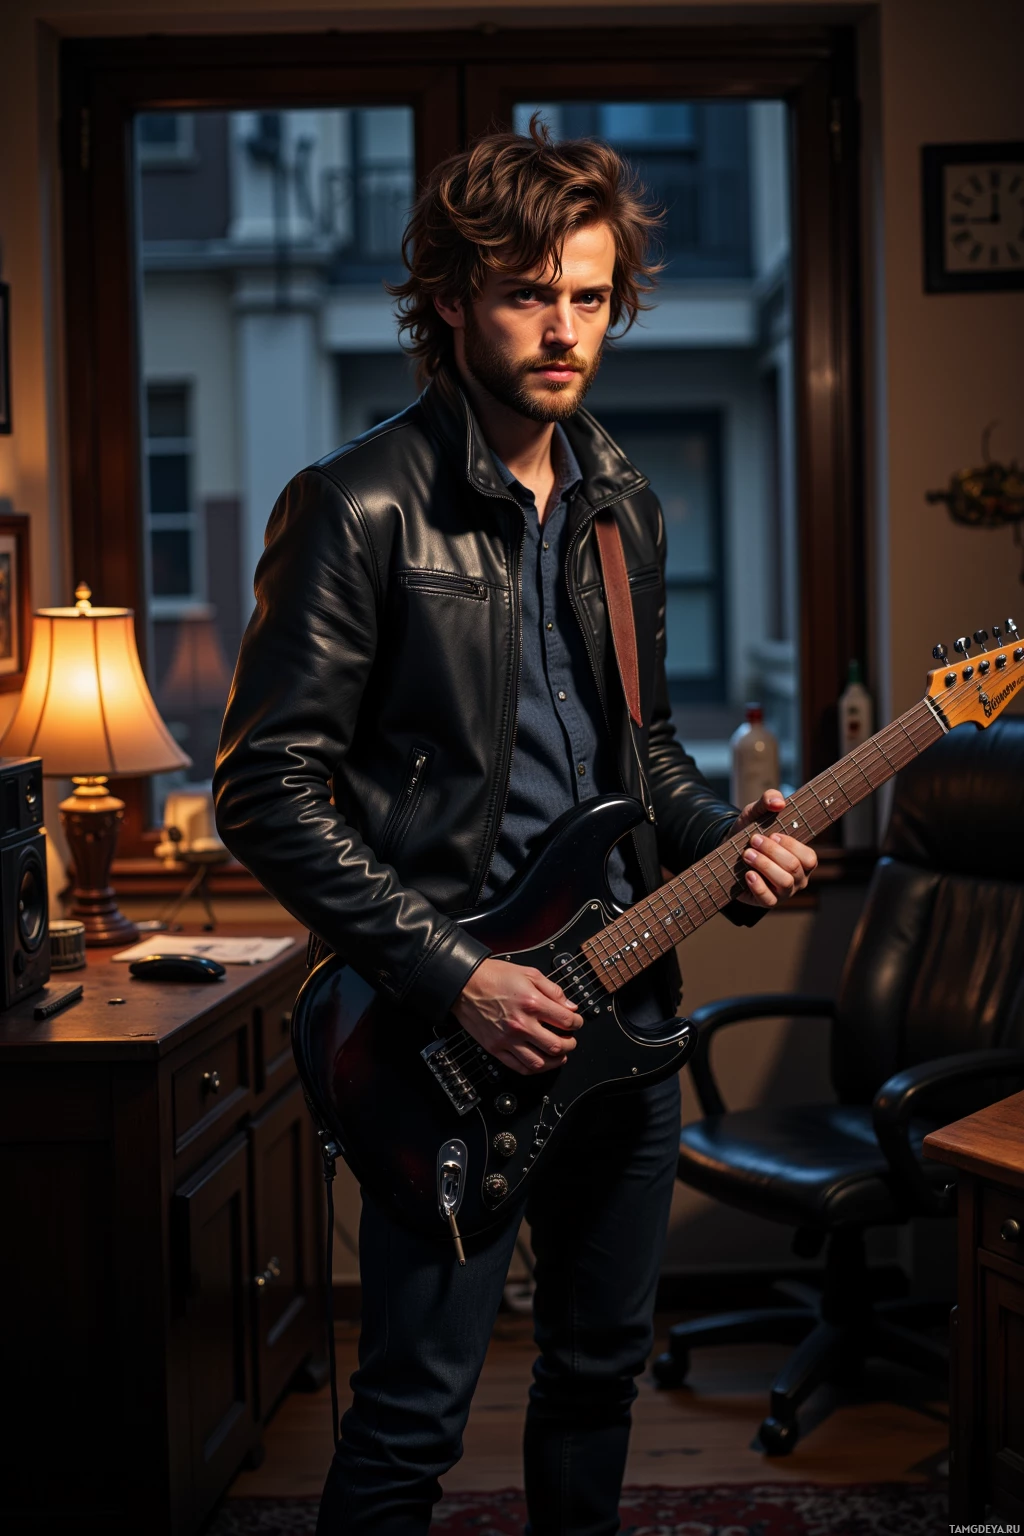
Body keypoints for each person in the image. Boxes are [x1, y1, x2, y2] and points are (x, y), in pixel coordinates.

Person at [213, 118, 817, 1536]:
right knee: (412, 1417)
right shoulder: (355, 506)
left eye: (590, 297)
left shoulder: (622, 504)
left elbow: (643, 756)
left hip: (627, 1014)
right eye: (528, 294)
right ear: (448, 299)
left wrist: (724, 847)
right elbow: (264, 788)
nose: (564, 331)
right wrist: (459, 976)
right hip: (445, 1040)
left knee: (599, 1378)